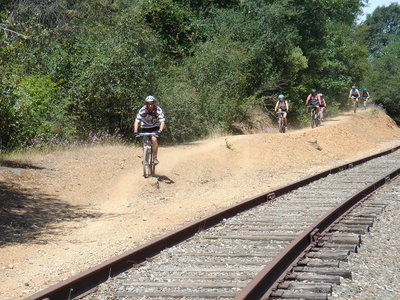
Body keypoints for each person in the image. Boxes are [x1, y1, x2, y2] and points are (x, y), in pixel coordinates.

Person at [133, 95, 166, 164]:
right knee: (144, 143)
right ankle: (145, 157)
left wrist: (160, 131)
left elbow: (162, 121)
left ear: (154, 103)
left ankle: (154, 158)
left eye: (151, 103)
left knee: (154, 139)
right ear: (146, 104)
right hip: (145, 127)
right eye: (148, 103)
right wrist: (135, 131)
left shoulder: (158, 110)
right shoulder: (142, 110)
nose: (150, 105)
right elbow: (137, 121)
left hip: (155, 127)